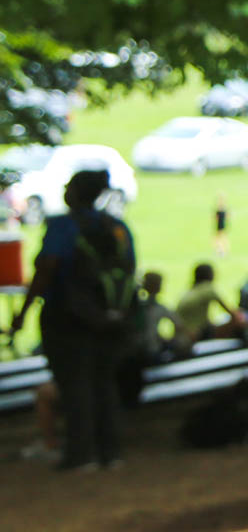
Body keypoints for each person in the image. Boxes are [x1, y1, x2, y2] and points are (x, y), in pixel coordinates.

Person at [7, 170, 136, 470]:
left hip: (68, 319)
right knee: (104, 383)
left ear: (76, 192)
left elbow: (46, 270)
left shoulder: (63, 227)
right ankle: (111, 451)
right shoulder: (117, 227)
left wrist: (23, 313)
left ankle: (81, 455)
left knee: (75, 384)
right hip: (109, 320)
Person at [172, 263, 247, 351]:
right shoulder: (208, 289)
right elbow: (230, 312)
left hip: (182, 332)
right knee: (236, 322)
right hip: (193, 334)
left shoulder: (193, 289)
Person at [212, 193, 228, 258]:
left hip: (219, 225)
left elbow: (215, 218)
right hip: (223, 224)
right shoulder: (224, 210)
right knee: (222, 237)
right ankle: (222, 250)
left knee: (219, 238)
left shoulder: (219, 211)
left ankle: (221, 250)